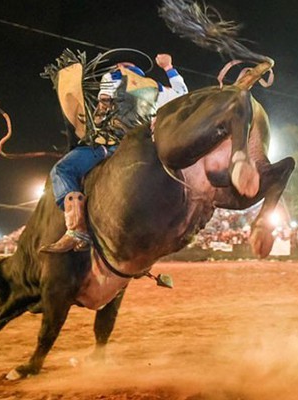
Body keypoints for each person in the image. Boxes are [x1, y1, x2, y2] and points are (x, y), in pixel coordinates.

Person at [41, 53, 188, 253]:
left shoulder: (112, 77)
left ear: (119, 65)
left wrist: (87, 130)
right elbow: (183, 93)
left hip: (109, 145)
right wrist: (169, 67)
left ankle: (77, 229)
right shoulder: (157, 87)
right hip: (142, 147)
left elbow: (103, 107)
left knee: (63, 169)